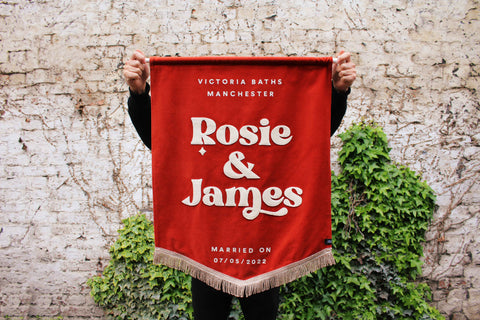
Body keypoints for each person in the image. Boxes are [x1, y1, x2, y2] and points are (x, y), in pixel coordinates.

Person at [123, 50, 356, 320]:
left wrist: (338, 93)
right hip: (208, 247)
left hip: (263, 249)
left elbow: (309, 135)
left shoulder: (275, 125)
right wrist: (139, 95)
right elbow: (163, 142)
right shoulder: (197, 124)